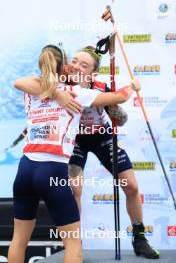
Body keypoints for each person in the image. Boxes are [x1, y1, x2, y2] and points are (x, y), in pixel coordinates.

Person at [8, 44, 138, 263]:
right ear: (64, 67)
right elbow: (119, 97)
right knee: (73, 242)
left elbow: (19, 82)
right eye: (72, 62)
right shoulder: (75, 92)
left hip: (25, 170)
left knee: (19, 239)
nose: (75, 66)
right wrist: (133, 85)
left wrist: (54, 91)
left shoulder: (33, 88)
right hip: (52, 171)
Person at [68, 46, 160, 259]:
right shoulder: (63, 85)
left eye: (84, 65)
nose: (77, 67)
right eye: (74, 61)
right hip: (75, 139)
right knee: (75, 190)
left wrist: (116, 110)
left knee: (132, 185)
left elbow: (122, 117)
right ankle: (74, 244)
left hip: (101, 136)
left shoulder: (102, 87)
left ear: (92, 72)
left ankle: (139, 238)